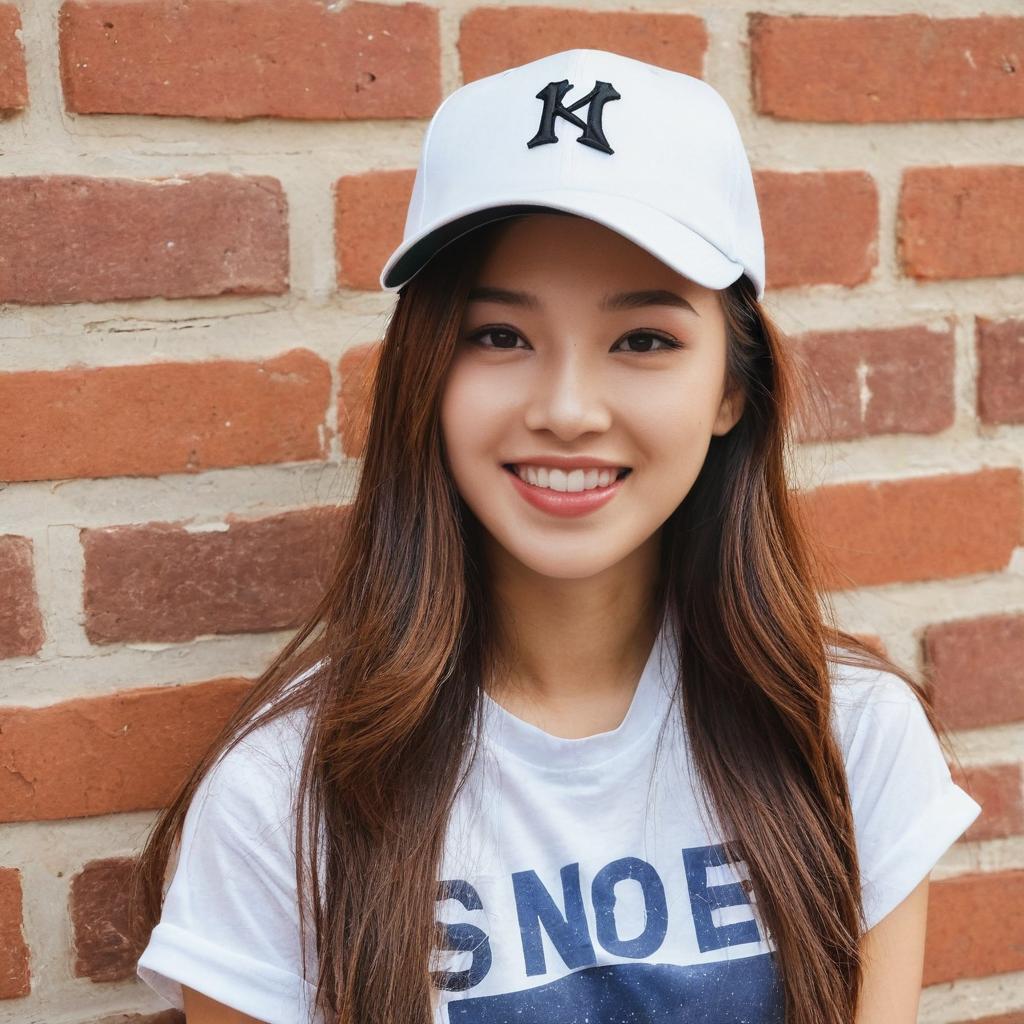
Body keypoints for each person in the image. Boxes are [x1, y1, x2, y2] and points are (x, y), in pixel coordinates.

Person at [130, 49, 982, 1024]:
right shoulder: (283, 797)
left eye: (643, 340)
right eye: (499, 335)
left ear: (731, 390)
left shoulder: (847, 738)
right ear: (428, 376)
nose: (568, 409)